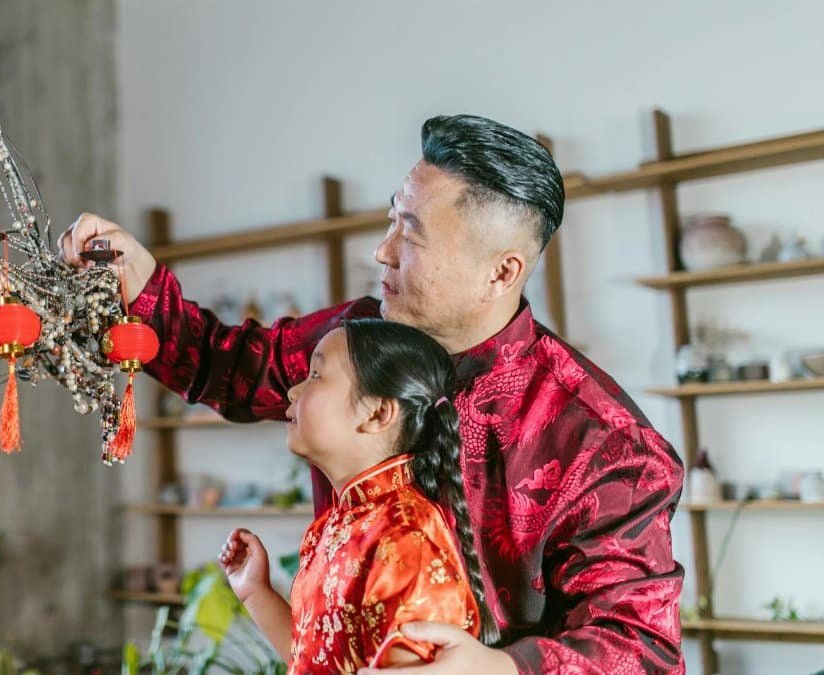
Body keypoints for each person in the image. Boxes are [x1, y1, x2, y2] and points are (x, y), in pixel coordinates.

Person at [61, 114, 685, 674]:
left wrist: (499, 670)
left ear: (501, 272)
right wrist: (138, 281)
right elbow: (229, 366)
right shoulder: (359, 338)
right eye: (392, 220)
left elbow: (640, 648)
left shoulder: (602, 441)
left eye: (411, 235)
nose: (381, 251)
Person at [219, 319, 493, 672]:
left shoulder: (405, 539)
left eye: (316, 375)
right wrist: (255, 592)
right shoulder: (338, 524)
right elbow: (314, 661)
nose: (292, 392)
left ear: (378, 413)